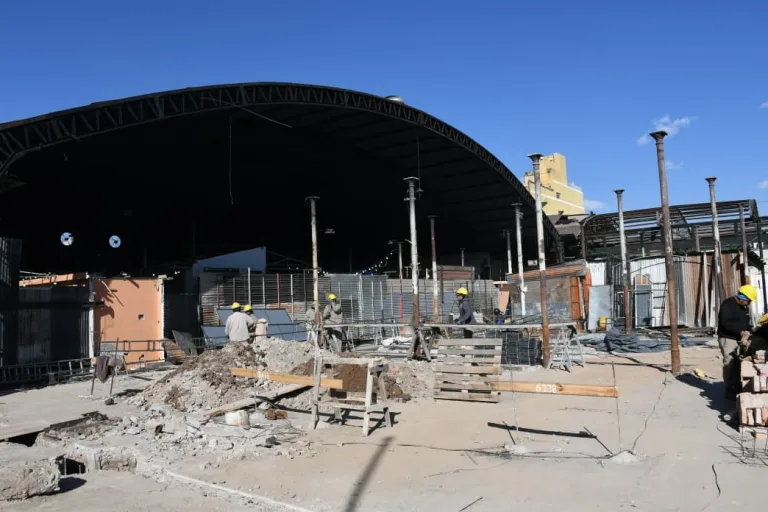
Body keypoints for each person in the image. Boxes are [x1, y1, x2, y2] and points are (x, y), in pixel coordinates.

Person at [717, 284, 756, 400]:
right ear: (742, 297)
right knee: (729, 362)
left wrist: (751, 329)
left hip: (738, 338)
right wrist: (740, 331)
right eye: (748, 301)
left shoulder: (742, 307)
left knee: (738, 363)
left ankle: (737, 387)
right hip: (728, 338)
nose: (749, 304)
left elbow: (743, 322)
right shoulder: (728, 305)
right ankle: (729, 389)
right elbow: (725, 323)